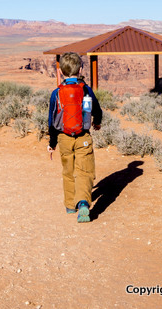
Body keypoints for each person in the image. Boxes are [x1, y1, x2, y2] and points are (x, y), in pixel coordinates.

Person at [47, 52, 102, 223]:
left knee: (68, 171)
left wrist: (52, 143)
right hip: (83, 136)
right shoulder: (85, 90)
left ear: (62, 72)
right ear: (80, 69)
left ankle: (70, 205)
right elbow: (96, 110)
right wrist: (97, 122)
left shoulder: (56, 93)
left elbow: (52, 121)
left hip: (64, 138)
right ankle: (83, 202)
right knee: (84, 171)